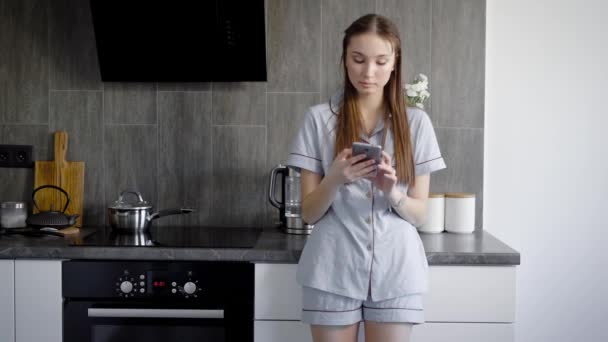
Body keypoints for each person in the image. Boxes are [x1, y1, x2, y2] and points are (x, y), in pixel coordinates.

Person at [286, 14, 446, 342]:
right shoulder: (318, 119)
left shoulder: (416, 123)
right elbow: (309, 212)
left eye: (380, 61)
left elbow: (419, 214)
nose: (368, 72)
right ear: (344, 60)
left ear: (394, 64)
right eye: (358, 59)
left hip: (396, 273)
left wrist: (393, 192)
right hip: (331, 270)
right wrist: (334, 178)